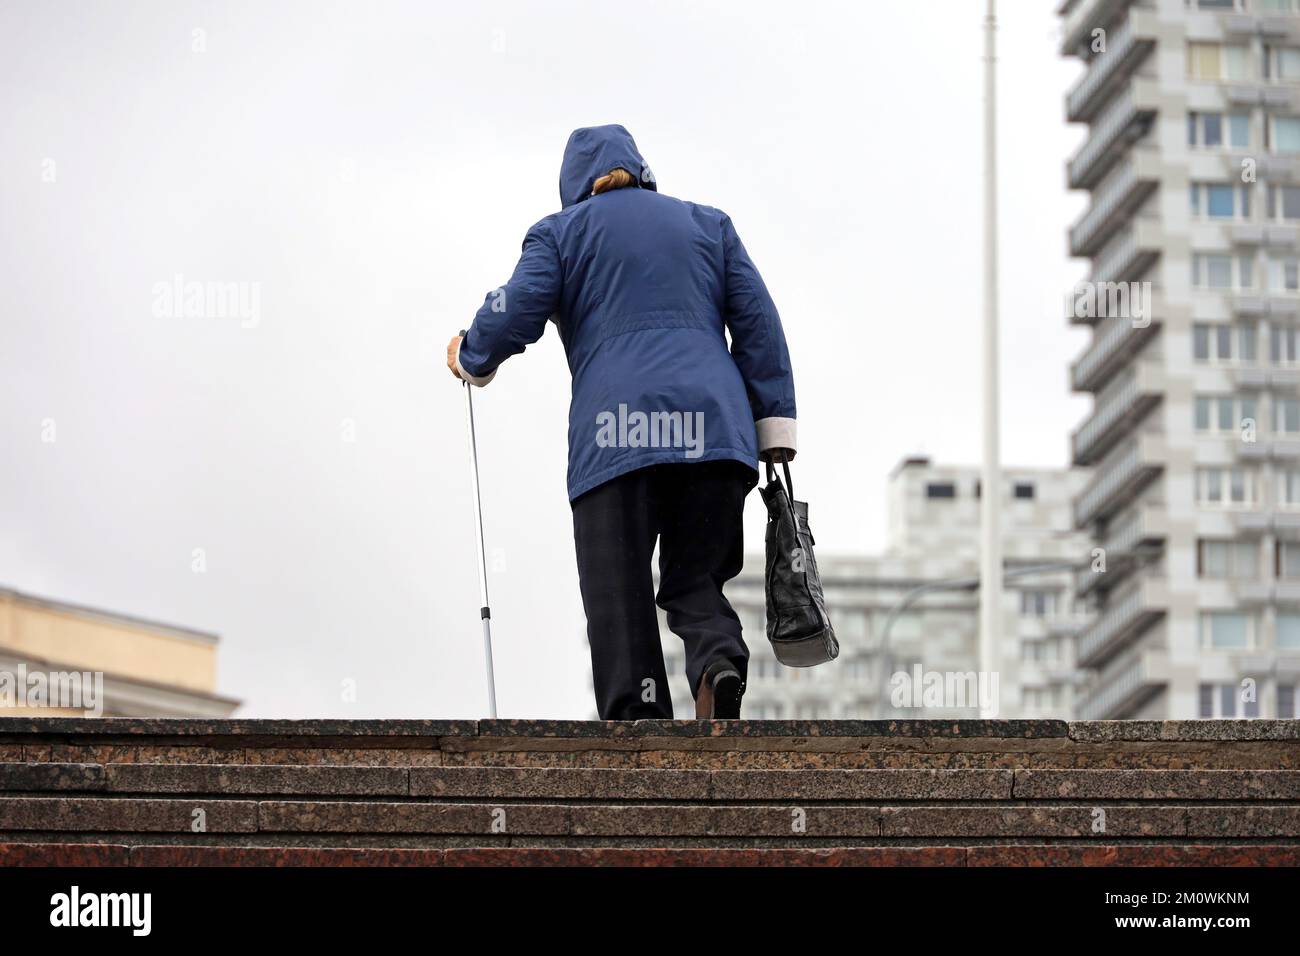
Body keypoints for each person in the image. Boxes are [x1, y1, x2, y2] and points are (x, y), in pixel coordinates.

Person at [447, 124, 796, 720]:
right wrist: (773, 428)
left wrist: (472, 352)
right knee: (695, 578)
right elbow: (759, 321)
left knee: (619, 596)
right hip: (711, 434)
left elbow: (516, 307)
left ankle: (636, 731)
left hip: (617, 437)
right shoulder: (707, 224)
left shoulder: (559, 234)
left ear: (572, 186)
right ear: (642, 169)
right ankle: (716, 663)